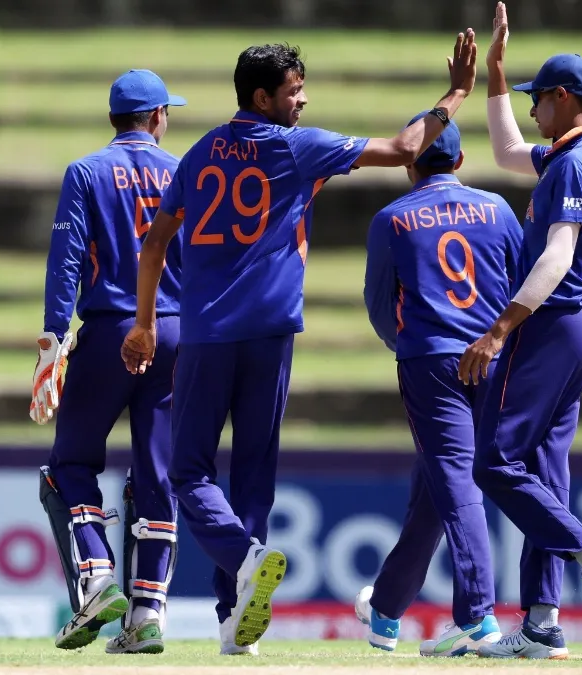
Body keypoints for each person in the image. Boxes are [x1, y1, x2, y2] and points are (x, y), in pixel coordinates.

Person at [121, 35, 479, 655]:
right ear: (262, 97)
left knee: (188, 471)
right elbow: (405, 149)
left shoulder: (199, 152)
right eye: (294, 90)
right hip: (271, 335)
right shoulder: (296, 148)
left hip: (208, 334)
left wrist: (145, 322)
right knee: (253, 475)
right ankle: (238, 613)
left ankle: (241, 579)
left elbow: (154, 244)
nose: (304, 99)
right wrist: (455, 95)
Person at [459, 3, 582, 659]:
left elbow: (557, 255)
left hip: (552, 322)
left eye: (537, 100)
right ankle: (541, 623)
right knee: (541, 468)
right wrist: (496, 75)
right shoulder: (577, 154)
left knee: (494, 462)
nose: (534, 111)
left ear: (563, 98)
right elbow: (508, 151)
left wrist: (499, 329)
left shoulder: (573, 164)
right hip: (576, 325)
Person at [356, 112, 521, 657]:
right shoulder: (497, 209)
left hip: (431, 363)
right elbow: (521, 285)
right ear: (461, 160)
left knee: (454, 480)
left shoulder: (391, 219)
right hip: (493, 357)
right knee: (437, 486)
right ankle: (385, 610)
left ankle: (476, 618)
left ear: (409, 163)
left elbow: (380, 304)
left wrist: (406, 343)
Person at [33, 69, 186, 654]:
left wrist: (53, 340)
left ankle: (96, 578)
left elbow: (66, 258)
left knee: (69, 465)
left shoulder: (86, 171)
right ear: (157, 117)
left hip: (108, 332)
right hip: (176, 332)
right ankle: (147, 614)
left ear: (114, 118)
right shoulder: (182, 170)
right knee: (157, 473)